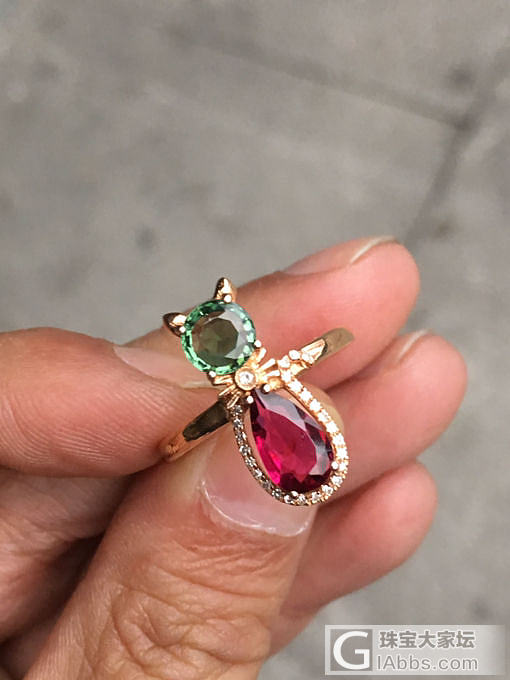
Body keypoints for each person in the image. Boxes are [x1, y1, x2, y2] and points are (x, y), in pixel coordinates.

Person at [0, 237, 466, 679]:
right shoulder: (249, 399)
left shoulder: (255, 394)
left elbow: (336, 339)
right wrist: (182, 440)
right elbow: (175, 443)